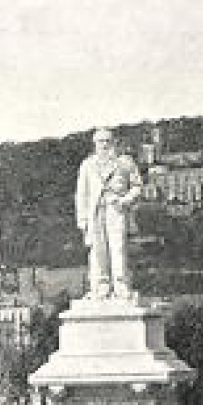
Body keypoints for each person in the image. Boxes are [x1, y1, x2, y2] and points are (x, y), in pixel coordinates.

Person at [74, 128, 144, 298]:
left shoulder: (125, 162)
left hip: (116, 209)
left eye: (107, 141)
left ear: (114, 143)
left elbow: (137, 187)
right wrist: (82, 219)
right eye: (100, 141)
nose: (104, 145)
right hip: (95, 211)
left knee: (118, 247)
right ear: (95, 144)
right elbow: (82, 193)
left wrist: (124, 200)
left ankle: (121, 284)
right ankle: (101, 285)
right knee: (98, 249)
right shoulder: (88, 164)